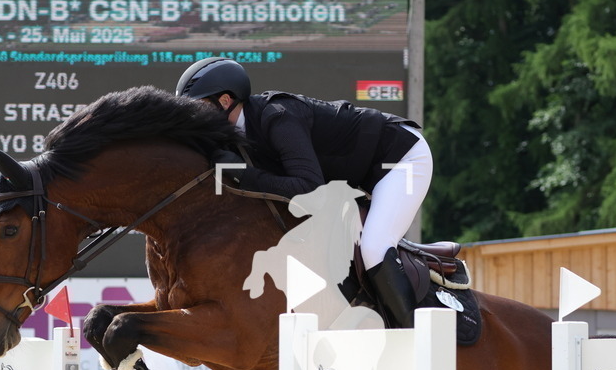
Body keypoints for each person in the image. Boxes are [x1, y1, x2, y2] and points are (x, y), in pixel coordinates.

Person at [175, 57, 433, 329]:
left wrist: (244, 174)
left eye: (199, 107)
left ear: (225, 101)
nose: (195, 117)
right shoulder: (236, 132)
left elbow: (310, 188)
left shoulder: (278, 116)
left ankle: (412, 334)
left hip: (400, 158)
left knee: (374, 248)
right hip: (360, 178)